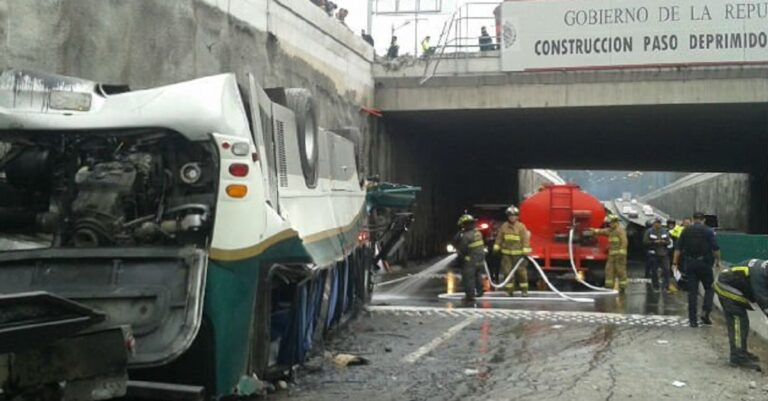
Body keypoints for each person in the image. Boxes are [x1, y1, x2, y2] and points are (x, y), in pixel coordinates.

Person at [714, 259, 768, 370]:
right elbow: (763, 301)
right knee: (738, 321)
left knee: (742, 322)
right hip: (726, 286)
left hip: (730, 284)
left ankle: (741, 351)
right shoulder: (759, 276)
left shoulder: (764, 269)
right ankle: (737, 357)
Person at [673, 211, 720, 327]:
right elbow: (716, 248)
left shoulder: (686, 230)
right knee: (709, 288)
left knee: (692, 292)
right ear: (704, 220)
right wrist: (718, 261)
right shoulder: (708, 231)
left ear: (693, 219)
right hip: (704, 264)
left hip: (690, 264)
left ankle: (692, 320)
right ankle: (705, 312)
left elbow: (678, 248)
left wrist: (674, 263)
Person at [493, 205, 531, 297]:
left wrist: (525, 250)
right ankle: (509, 290)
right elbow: (499, 238)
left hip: (519, 255)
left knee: (521, 273)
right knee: (507, 272)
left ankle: (524, 290)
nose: (512, 217)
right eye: (510, 215)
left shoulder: (521, 227)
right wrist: (496, 246)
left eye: (514, 215)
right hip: (506, 255)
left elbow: (525, 239)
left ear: (517, 216)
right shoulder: (504, 226)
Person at [453, 214, 485, 302]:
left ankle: (470, 296)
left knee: (468, 277)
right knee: (478, 276)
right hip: (480, 259)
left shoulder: (466, 236)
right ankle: (480, 291)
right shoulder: (478, 233)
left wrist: (460, 257)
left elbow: (462, 249)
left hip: (470, 261)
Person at [594, 215, 628, 293]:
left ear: (615, 222)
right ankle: (609, 287)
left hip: (619, 255)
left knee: (620, 271)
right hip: (611, 255)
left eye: (611, 223)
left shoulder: (620, 230)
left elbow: (624, 242)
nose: (610, 224)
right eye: (609, 223)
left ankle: (622, 287)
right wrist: (594, 231)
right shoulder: (611, 230)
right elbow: (603, 231)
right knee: (609, 270)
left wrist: (621, 253)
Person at [644, 217, 674, 293]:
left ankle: (666, 286)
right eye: (657, 223)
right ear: (654, 223)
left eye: (659, 223)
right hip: (654, 253)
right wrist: (654, 242)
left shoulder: (664, 231)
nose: (658, 224)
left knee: (667, 270)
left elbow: (669, 242)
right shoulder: (649, 231)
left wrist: (664, 242)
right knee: (654, 271)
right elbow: (645, 242)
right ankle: (656, 286)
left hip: (664, 253)